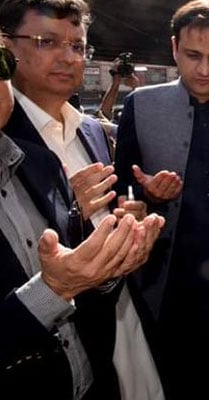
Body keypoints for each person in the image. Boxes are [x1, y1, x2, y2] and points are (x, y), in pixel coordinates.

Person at [0, 1, 163, 398]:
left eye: (77, 46)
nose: (67, 57)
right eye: (47, 41)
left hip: (113, 312)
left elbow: (103, 212)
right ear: (7, 47)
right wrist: (70, 215)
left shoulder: (92, 130)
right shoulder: (8, 135)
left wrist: (127, 217)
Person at [113, 1, 209, 398]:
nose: (203, 70)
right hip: (167, 281)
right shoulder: (140, 106)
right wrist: (147, 194)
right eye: (193, 56)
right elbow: (121, 192)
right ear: (173, 48)